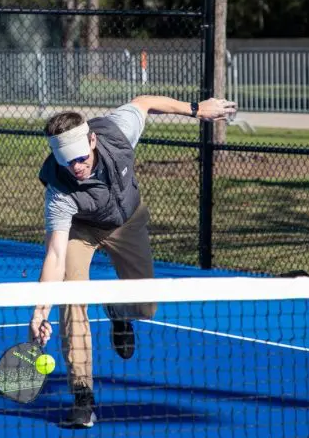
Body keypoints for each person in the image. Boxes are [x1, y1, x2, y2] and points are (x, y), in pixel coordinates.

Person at [28, 96, 237, 428]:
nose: (77, 167)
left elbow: (144, 102)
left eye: (81, 158)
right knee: (72, 299)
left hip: (127, 221)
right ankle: (83, 397)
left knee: (146, 306)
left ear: (92, 141)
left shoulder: (117, 132)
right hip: (81, 229)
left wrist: (197, 110)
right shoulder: (59, 188)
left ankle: (117, 311)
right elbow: (55, 254)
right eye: (68, 162)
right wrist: (40, 311)